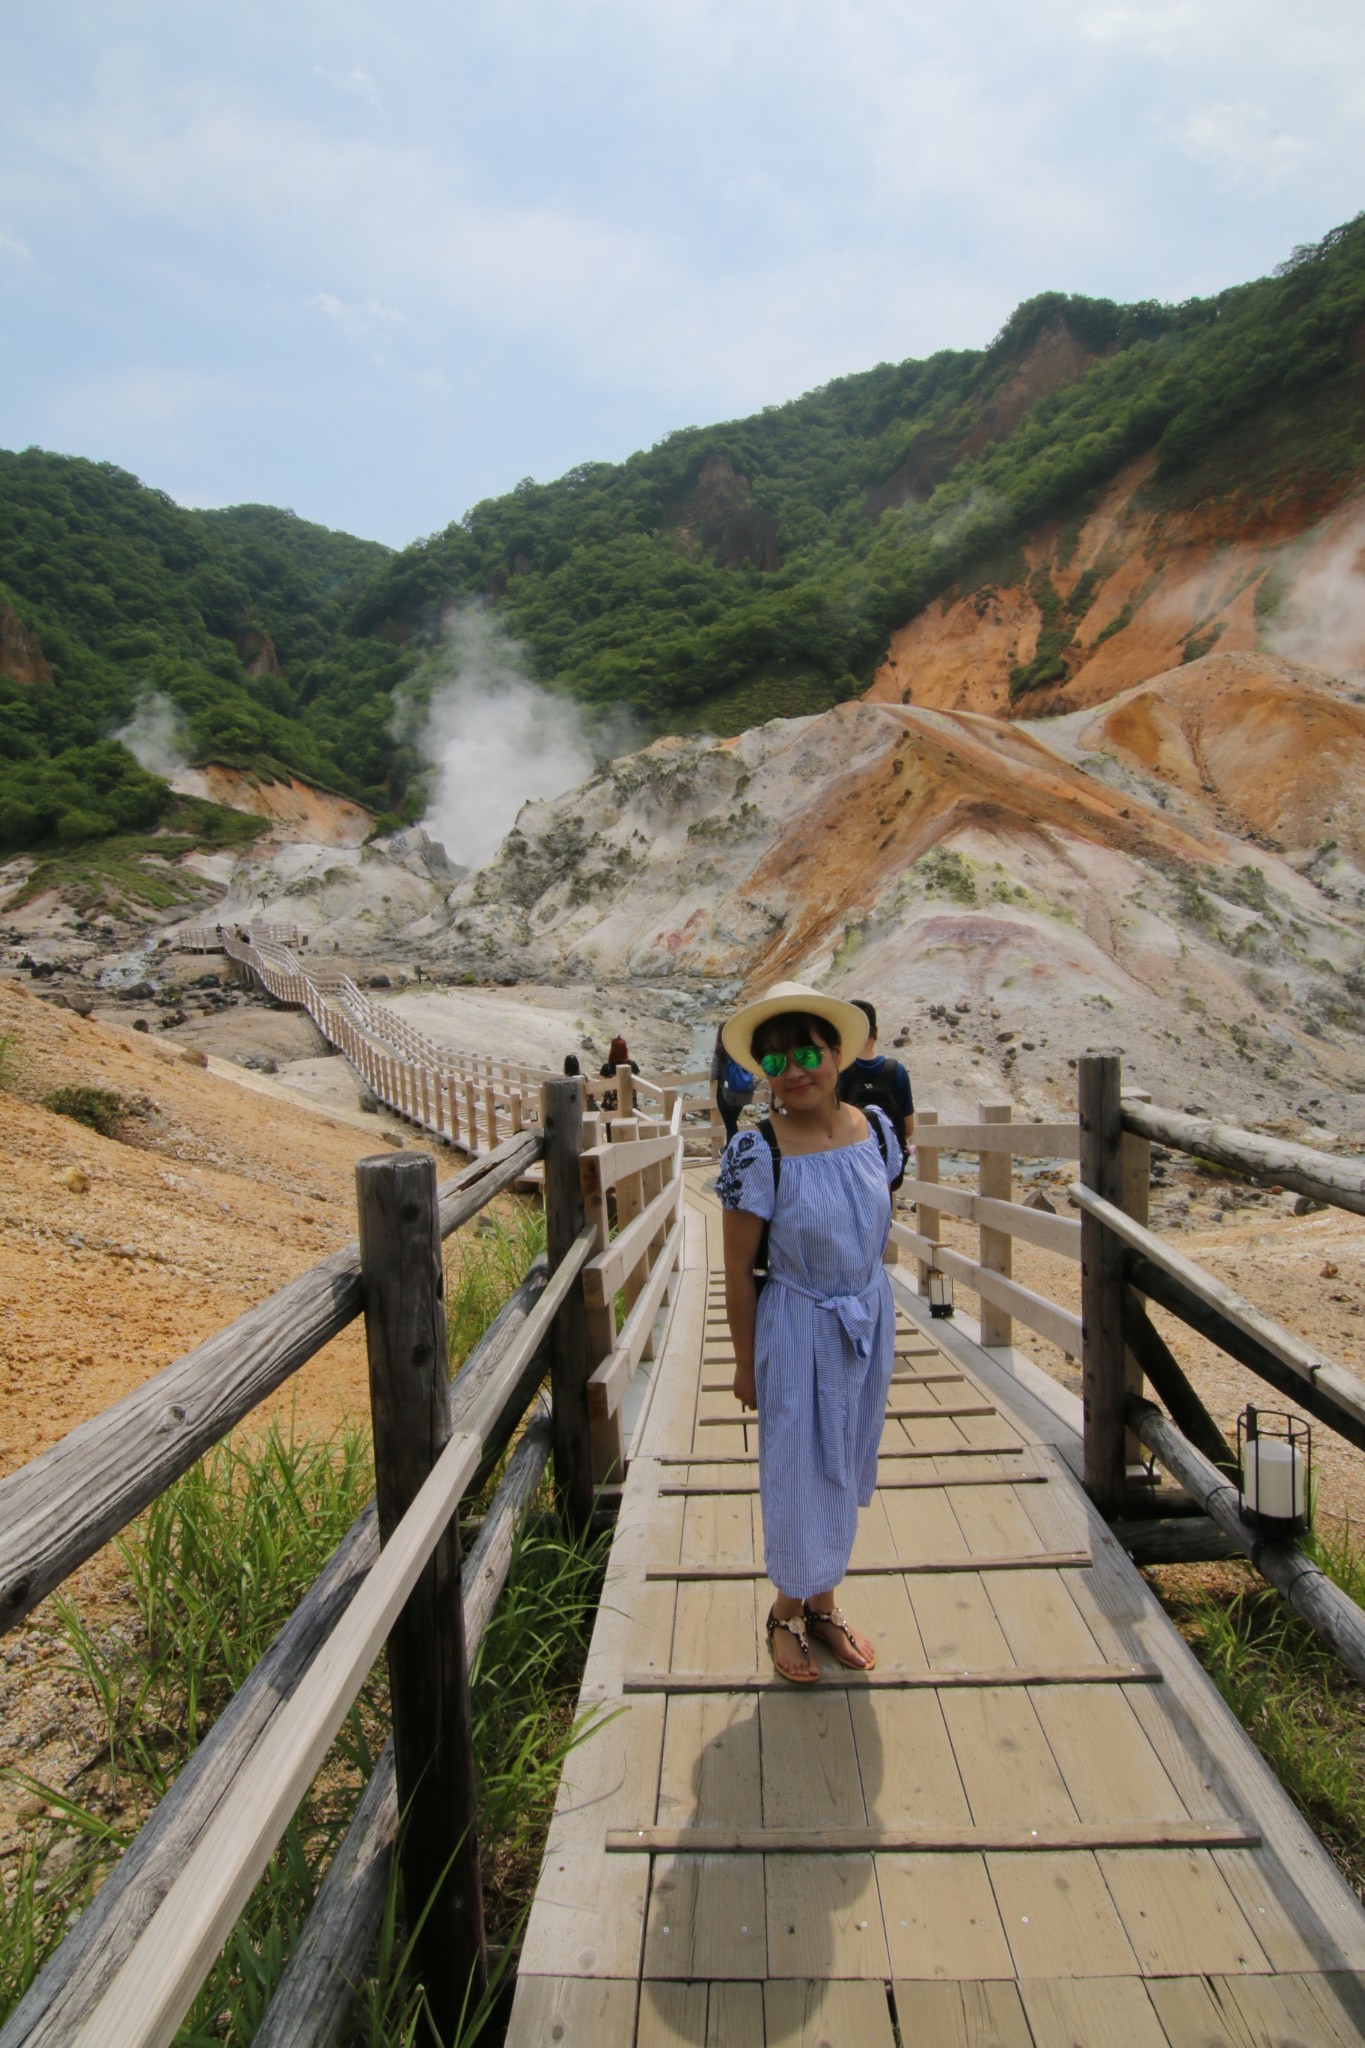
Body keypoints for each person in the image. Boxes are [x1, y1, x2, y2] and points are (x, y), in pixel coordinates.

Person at [716, 979, 902, 1683]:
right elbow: (737, 1271)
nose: (792, 1072)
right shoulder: (756, 1150)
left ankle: (823, 1604)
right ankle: (784, 1611)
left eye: (804, 1052)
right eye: (773, 1062)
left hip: (864, 1320)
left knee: (845, 1461)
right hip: (795, 1327)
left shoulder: (875, 1130)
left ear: (836, 1054)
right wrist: (743, 1363)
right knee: (797, 1471)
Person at [837, 999, 913, 1191]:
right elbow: (909, 1128)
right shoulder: (897, 1071)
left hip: (852, 1167)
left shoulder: (839, 1072)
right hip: (888, 1167)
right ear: (876, 1032)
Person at [710, 1023, 757, 1145]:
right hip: (742, 1092)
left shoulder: (719, 1052)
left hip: (725, 1094)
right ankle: (730, 1149)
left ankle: (731, 1151)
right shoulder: (739, 1051)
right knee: (732, 1123)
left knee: (730, 1125)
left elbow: (713, 1075)